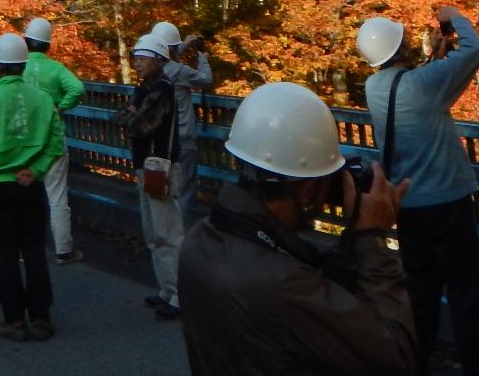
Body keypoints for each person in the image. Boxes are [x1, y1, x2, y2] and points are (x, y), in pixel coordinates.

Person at [179, 80, 418, 375]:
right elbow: (397, 357)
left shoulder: (200, 240)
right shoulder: (279, 285)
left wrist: (355, 234)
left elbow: (316, 293)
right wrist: (372, 239)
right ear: (305, 191)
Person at [358, 6, 479, 376]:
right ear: (400, 47)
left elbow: (416, 92)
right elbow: (474, 51)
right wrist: (457, 19)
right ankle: (478, 367)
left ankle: (416, 362)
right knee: (465, 291)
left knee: (421, 291)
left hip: (408, 203)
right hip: (447, 200)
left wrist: (435, 54)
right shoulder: (424, 84)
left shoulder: (374, 87)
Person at [0, 33, 64, 342]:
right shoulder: (43, 100)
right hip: (30, 185)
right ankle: (41, 317)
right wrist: (36, 170)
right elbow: (56, 142)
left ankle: (14, 320)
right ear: (22, 65)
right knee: (34, 251)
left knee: (6, 255)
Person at [128, 34, 186, 320]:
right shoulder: (148, 88)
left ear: (157, 60)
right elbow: (132, 120)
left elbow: (138, 125)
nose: (136, 63)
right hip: (148, 165)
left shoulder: (161, 89)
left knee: (167, 231)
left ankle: (179, 295)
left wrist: (133, 113)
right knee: (153, 231)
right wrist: (133, 114)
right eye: (135, 58)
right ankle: (167, 289)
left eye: (142, 58)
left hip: (159, 166)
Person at [21, 17, 86, 265]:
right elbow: (77, 88)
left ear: (26, 41)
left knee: (24, 193)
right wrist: (61, 107)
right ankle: (63, 250)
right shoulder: (56, 68)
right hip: (53, 138)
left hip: (25, 139)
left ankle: (23, 248)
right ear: (48, 45)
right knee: (57, 195)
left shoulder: (19, 67)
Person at [152, 21, 215, 224]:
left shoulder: (147, 69)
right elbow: (206, 80)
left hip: (158, 140)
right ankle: (182, 239)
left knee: (160, 189)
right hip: (183, 140)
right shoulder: (181, 72)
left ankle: (162, 232)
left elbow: (166, 58)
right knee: (185, 191)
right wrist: (203, 59)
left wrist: (184, 45)